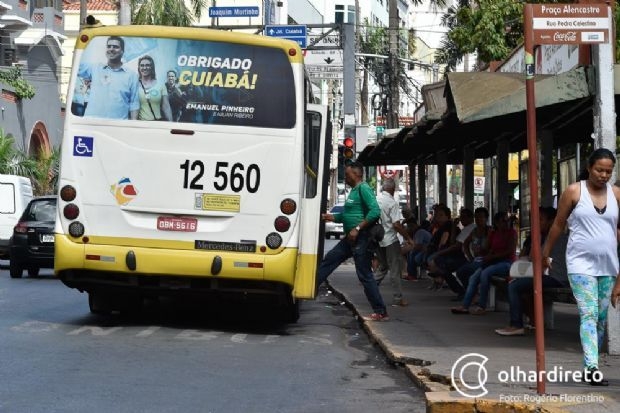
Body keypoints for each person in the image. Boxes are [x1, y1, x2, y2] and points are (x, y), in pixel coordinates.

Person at [542, 148, 620, 386]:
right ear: (589, 167)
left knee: (600, 318)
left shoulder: (616, 194)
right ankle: (592, 367)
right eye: (599, 170)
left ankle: (589, 366)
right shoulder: (574, 191)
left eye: (608, 171)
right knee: (588, 314)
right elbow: (557, 225)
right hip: (580, 264)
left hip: (608, 266)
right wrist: (545, 253)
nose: (603, 175)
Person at [317, 161, 390, 321]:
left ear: (356, 174)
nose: (346, 177)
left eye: (348, 174)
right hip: (351, 239)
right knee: (329, 259)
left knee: (364, 274)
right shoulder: (354, 191)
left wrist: (357, 228)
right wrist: (332, 217)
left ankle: (380, 311)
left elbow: (375, 211)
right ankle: (309, 289)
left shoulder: (363, 188)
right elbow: (348, 215)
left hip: (361, 238)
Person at [495, 207, 568, 336]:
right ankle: (534, 322)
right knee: (519, 287)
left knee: (515, 286)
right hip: (545, 275)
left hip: (556, 277)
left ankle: (516, 324)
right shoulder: (544, 236)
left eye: (540, 219)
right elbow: (531, 258)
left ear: (552, 221)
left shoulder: (557, 237)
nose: (536, 223)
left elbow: (538, 260)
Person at [451, 211, 517, 315]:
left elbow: (509, 251)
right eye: (502, 221)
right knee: (474, 277)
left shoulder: (512, 233)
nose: (505, 223)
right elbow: (486, 248)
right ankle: (465, 306)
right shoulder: (493, 233)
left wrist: (491, 256)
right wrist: (480, 251)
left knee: (485, 273)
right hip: (492, 261)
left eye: (506, 221)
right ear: (496, 223)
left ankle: (482, 306)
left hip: (506, 262)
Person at [78, 36, 140, 119]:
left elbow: (134, 104)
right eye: (109, 46)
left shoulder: (131, 75)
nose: (111, 49)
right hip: (91, 123)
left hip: (117, 126)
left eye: (116, 47)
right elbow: (76, 67)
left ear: (122, 51)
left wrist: (133, 127)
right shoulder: (95, 68)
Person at [374, 178, 411, 306]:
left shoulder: (375, 200)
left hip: (377, 239)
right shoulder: (392, 203)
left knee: (383, 266)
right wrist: (408, 237)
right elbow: (396, 225)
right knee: (395, 269)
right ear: (392, 189)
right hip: (390, 240)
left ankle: (371, 289)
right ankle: (398, 298)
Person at [427, 208, 475, 294]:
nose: (461, 219)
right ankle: (439, 274)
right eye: (461, 217)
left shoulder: (470, 228)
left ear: (471, 218)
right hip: (463, 257)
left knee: (442, 265)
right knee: (440, 264)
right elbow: (453, 242)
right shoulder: (464, 229)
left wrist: (439, 253)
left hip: (466, 258)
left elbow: (456, 246)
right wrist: (454, 226)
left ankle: (440, 275)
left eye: (464, 217)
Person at [137, 55, 172, 121]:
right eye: (142, 65)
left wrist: (171, 124)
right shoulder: (135, 85)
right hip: (141, 124)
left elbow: (166, 107)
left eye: (147, 65)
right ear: (139, 68)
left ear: (152, 67)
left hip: (157, 123)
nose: (144, 67)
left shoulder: (160, 85)